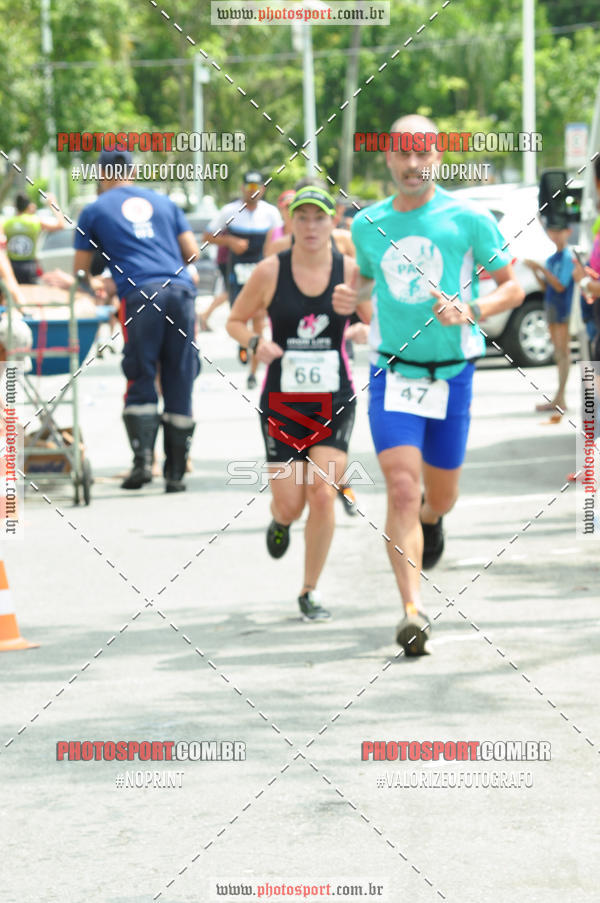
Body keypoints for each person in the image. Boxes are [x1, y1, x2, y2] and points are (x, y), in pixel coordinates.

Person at [340, 113, 524, 655]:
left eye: (423, 153)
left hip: (452, 376)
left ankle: (432, 517)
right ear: (389, 158)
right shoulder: (366, 224)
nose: (413, 164)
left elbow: (512, 289)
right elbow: (365, 284)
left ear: (437, 156)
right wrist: (353, 303)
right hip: (392, 372)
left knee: (439, 494)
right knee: (399, 485)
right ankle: (412, 611)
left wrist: (473, 307)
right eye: (403, 153)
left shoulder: (466, 219)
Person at [226, 185, 370, 621]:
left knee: (323, 494)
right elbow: (234, 320)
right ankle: (282, 522)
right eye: (302, 218)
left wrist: (364, 328)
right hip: (284, 402)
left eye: (319, 218)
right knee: (292, 502)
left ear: (333, 222)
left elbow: (377, 320)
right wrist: (255, 341)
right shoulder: (270, 271)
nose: (310, 226)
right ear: (290, 223)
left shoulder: (351, 271)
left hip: (334, 398)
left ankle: (310, 590)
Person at [73, 148, 200, 493]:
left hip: (141, 295)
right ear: (131, 172)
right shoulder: (164, 203)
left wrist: (96, 281)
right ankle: (175, 473)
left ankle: (143, 464)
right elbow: (192, 254)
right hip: (180, 291)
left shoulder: (94, 210)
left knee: (141, 372)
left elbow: (81, 270)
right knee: (180, 373)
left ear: (102, 175)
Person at [203, 172, 282, 389]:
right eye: (249, 186)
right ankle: (243, 342)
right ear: (242, 187)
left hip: (261, 272)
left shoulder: (271, 213)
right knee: (239, 316)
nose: (252, 190)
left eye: (257, 186)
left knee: (258, 320)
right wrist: (230, 240)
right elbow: (207, 236)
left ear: (263, 189)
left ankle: (253, 373)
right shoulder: (230, 211)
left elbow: (280, 239)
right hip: (237, 272)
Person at [524, 218, 574, 412]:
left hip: (563, 308)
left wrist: (540, 269)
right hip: (552, 306)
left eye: (559, 231)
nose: (555, 235)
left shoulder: (568, 257)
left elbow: (561, 285)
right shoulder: (553, 258)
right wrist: (536, 272)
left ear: (567, 232)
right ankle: (558, 397)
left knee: (563, 353)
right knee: (558, 353)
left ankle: (560, 398)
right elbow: (547, 286)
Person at [3, 192, 65, 284]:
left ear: (15, 206)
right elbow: (61, 225)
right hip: (30, 266)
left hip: (11, 266)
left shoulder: (7, 223)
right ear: (28, 206)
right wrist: (53, 203)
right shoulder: (35, 221)